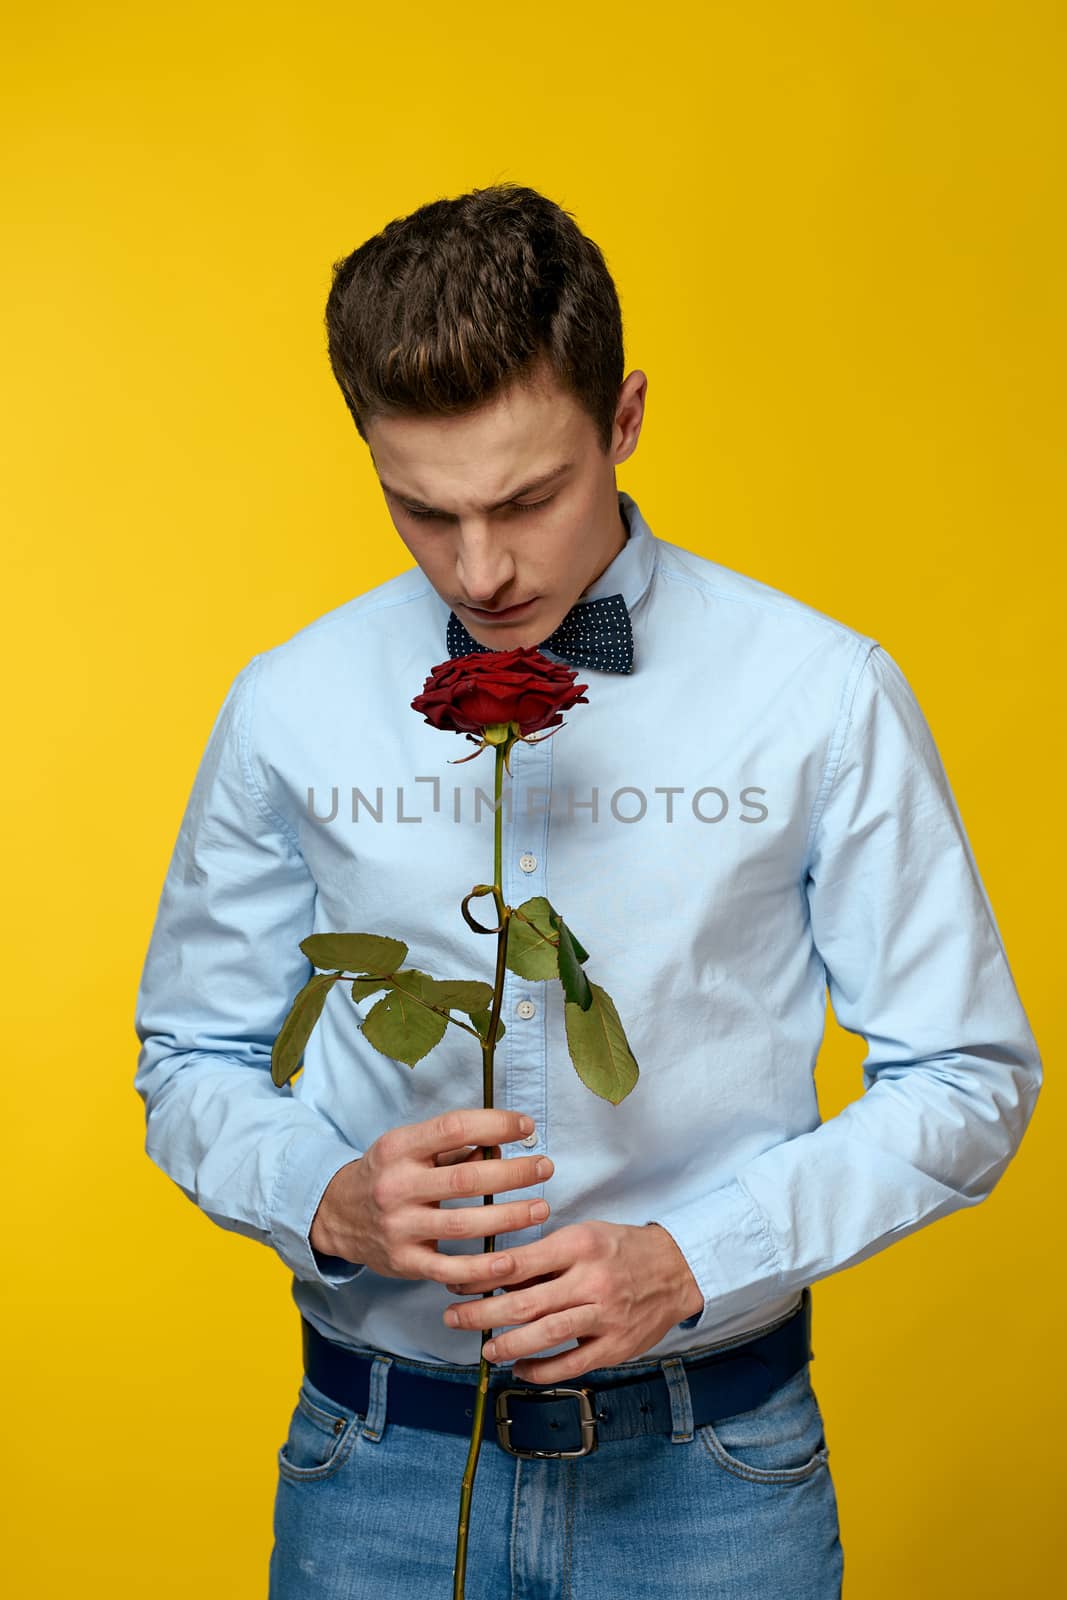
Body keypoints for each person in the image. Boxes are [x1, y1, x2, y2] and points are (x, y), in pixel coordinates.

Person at [133, 182, 1042, 1599]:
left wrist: (697, 1258)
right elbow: (189, 1056)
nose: (479, 567)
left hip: (714, 1482)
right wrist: (323, 1197)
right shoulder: (289, 706)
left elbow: (968, 1077)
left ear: (623, 421)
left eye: (527, 499)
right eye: (420, 510)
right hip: (374, 1471)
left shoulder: (821, 695)